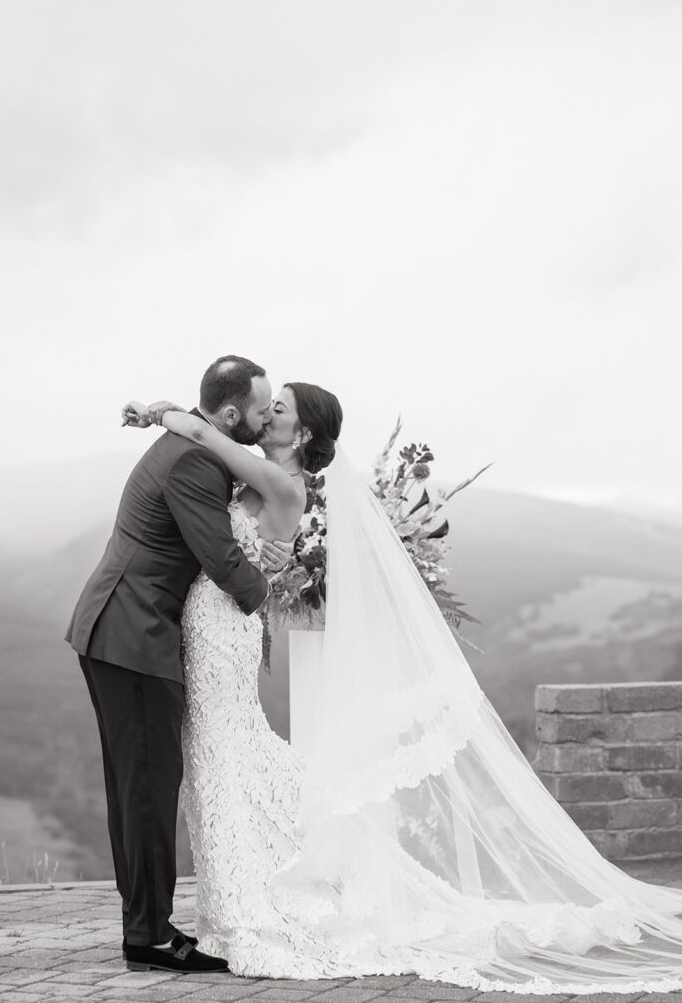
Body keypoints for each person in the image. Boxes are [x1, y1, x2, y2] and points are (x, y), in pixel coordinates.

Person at [123, 389, 682, 994]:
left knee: (224, 750)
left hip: (226, 627)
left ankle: (254, 900)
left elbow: (209, 437)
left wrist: (162, 412)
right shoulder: (261, 474)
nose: (269, 415)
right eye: (269, 405)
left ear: (305, 434)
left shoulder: (284, 485)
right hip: (213, 621)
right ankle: (254, 881)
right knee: (222, 753)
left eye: (280, 408)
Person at [65, 355, 293, 974]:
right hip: (132, 635)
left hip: (123, 629)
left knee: (139, 783)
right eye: (257, 408)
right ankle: (150, 937)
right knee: (147, 786)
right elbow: (220, 557)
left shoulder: (188, 438)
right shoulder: (197, 460)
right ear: (226, 415)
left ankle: (144, 926)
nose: (263, 417)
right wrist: (266, 585)